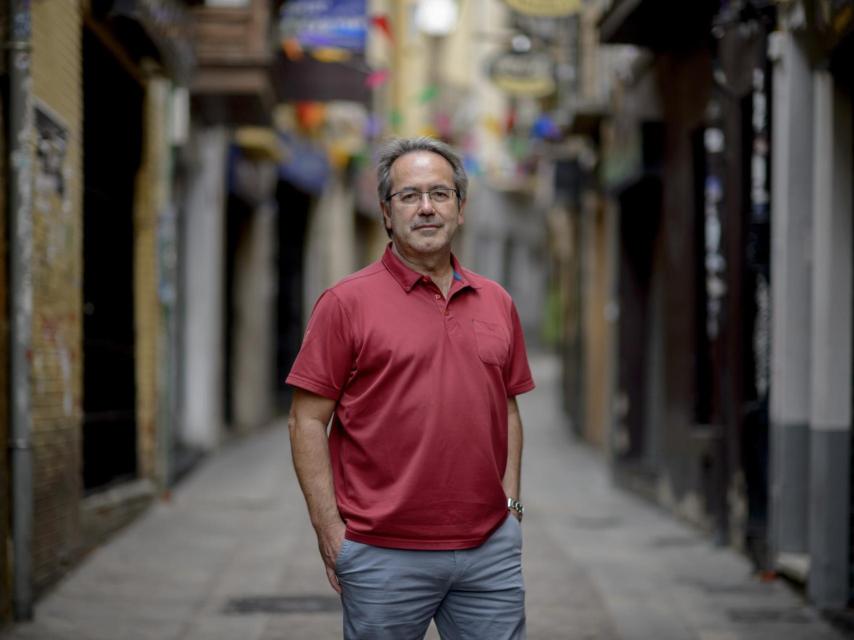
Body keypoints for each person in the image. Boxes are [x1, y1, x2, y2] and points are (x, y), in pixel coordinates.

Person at [287, 137, 535, 639]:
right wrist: (329, 530)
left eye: (440, 194)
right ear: (386, 212)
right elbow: (306, 420)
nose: (426, 207)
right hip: (383, 554)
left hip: (488, 553)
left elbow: (506, 407)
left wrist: (510, 508)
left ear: (461, 208)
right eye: (409, 195)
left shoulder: (497, 301)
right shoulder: (345, 303)